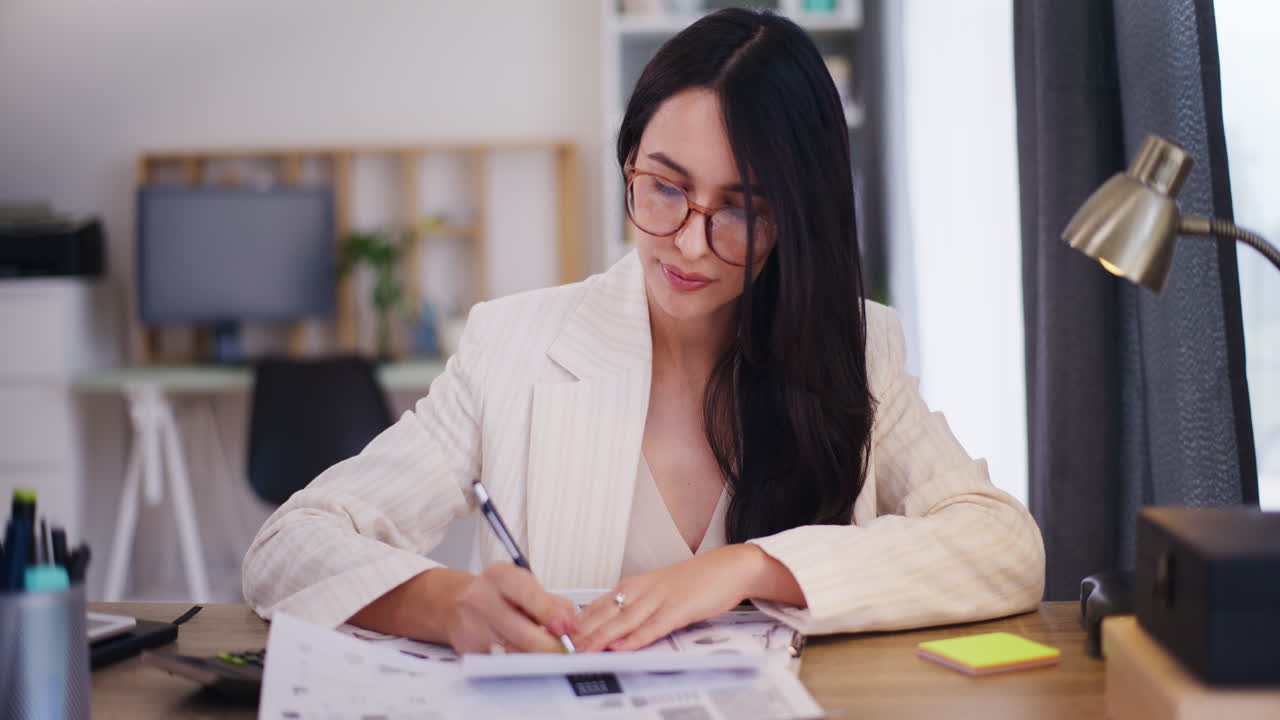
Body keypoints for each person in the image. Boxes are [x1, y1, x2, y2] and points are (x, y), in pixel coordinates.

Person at [242, 8, 1044, 655]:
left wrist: (750, 567)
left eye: (740, 208)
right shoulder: (514, 348)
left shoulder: (854, 352)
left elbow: (1003, 545)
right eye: (664, 188)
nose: (690, 243)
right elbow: (290, 547)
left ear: (797, 220)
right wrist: (450, 605)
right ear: (629, 163)